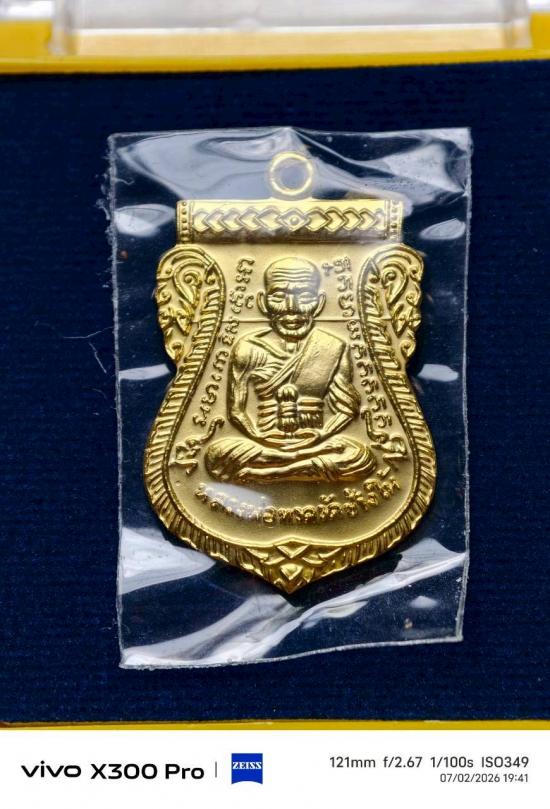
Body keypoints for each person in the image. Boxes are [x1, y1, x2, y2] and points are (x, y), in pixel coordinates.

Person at [205, 256, 375, 483]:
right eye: (278, 297)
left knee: (360, 457)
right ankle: (296, 466)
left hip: (315, 442)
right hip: (264, 443)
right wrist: (259, 437)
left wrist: (320, 435)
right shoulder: (248, 348)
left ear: (320, 303)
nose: (292, 308)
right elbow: (236, 411)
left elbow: (346, 409)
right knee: (216, 455)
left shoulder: (333, 346)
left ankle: (274, 472)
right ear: (262, 302)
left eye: (304, 297)